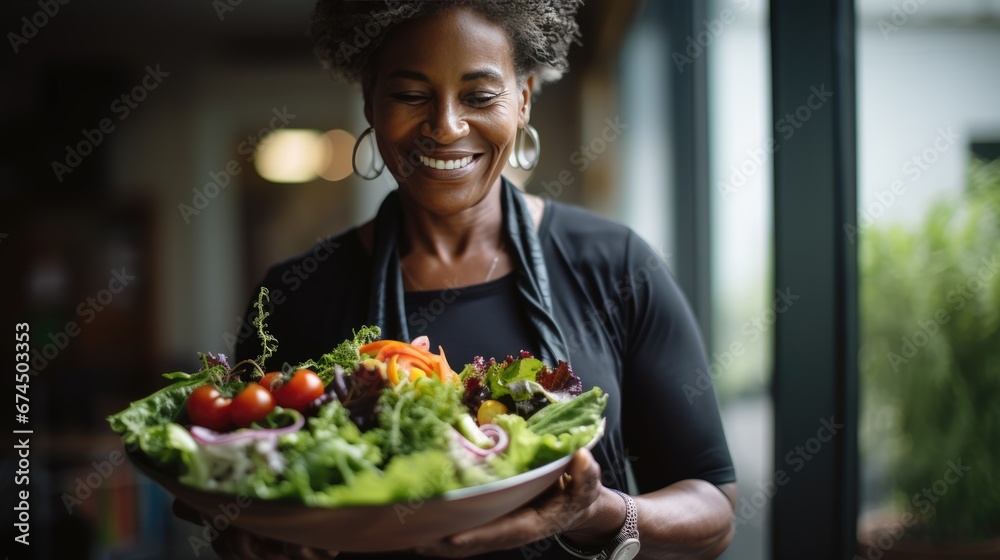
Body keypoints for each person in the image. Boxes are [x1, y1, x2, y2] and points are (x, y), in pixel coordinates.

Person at [200, 1, 738, 558]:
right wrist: (254, 534)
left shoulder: (617, 264)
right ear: (370, 100)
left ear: (523, 98)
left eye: (480, 96)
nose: (446, 126)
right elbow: (243, 508)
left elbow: (714, 513)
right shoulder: (294, 293)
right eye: (411, 95)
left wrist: (598, 511)